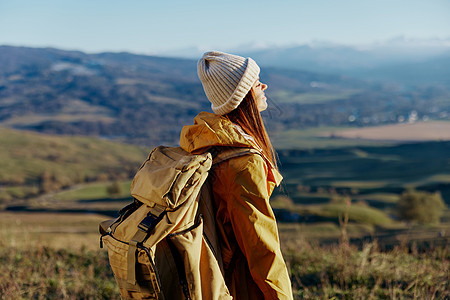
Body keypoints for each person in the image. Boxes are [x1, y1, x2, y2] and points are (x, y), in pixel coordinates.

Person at [180, 51, 293, 299]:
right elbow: (262, 249)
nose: (264, 86)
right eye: (256, 83)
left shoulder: (206, 141)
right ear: (241, 97)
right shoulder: (243, 163)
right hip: (240, 285)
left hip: (216, 277)